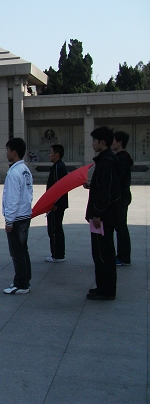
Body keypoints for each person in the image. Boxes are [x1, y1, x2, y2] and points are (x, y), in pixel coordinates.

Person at [85, 126, 120, 300]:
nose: (92, 143)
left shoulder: (107, 162)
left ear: (102, 142)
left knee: (103, 253)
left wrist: (97, 213)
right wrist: (91, 185)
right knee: (100, 252)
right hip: (102, 214)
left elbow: (106, 192)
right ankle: (102, 286)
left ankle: (106, 290)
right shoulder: (105, 160)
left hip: (103, 217)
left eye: (94, 140)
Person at [2, 138, 33, 294]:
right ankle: (25, 278)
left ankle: (21, 284)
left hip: (17, 217)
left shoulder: (14, 172)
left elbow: (12, 198)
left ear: (14, 152)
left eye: (7, 150)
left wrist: (9, 220)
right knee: (23, 249)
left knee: (17, 252)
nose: (6, 153)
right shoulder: (25, 170)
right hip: (25, 214)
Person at [112, 131, 133, 266]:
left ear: (119, 143)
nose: (111, 143)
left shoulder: (122, 158)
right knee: (120, 226)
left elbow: (118, 179)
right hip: (122, 195)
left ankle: (124, 257)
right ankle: (122, 255)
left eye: (113, 140)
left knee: (120, 227)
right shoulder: (122, 157)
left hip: (121, 196)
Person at [45, 144, 69, 263]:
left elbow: (58, 188)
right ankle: (57, 253)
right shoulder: (58, 166)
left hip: (56, 205)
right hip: (58, 204)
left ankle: (57, 255)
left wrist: (54, 203)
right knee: (56, 228)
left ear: (57, 154)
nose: (49, 155)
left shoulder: (58, 168)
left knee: (54, 229)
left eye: (51, 152)